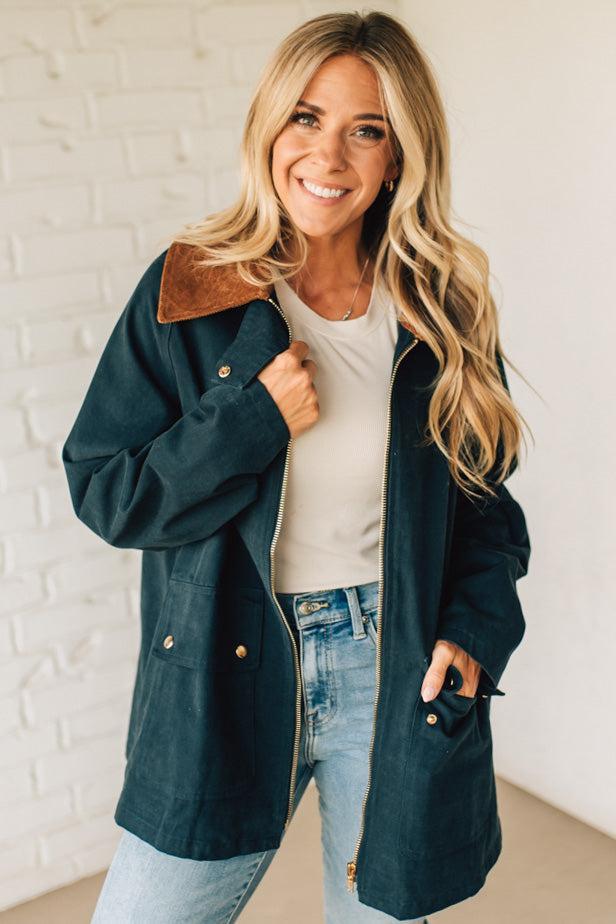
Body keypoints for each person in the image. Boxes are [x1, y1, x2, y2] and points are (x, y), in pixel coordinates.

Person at [62, 10, 531, 923]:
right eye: (306, 118)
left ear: (399, 157)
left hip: (392, 665)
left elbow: (486, 509)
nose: (329, 155)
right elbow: (106, 491)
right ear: (269, 126)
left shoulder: (440, 311)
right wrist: (246, 425)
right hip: (222, 662)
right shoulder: (191, 288)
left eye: (368, 129)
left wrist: (472, 637)